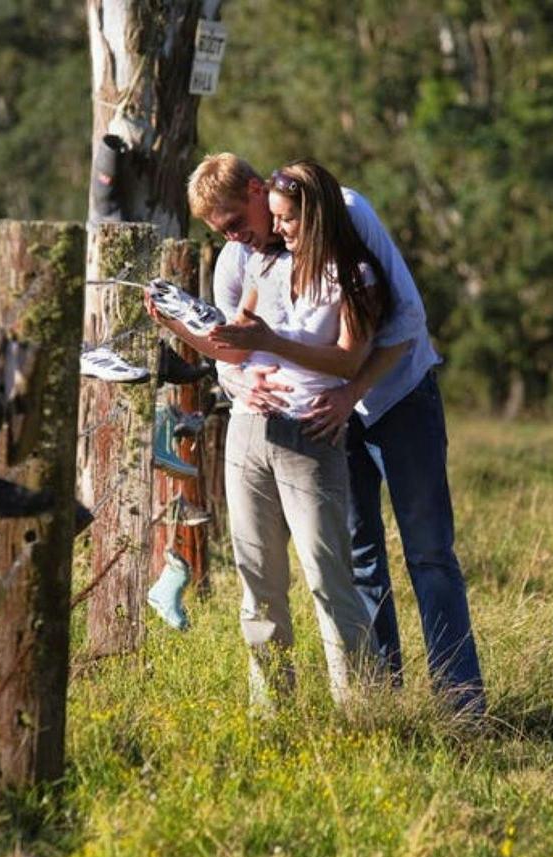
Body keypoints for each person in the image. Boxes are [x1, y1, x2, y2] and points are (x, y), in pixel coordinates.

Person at [187, 153, 486, 715]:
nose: (245, 237)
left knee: (428, 553)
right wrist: (235, 376)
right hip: (326, 416)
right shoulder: (250, 255)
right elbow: (236, 343)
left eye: (236, 223)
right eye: (224, 233)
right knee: (360, 555)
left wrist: (351, 392)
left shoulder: (347, 216)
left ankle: (460, 702)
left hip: (397, 398)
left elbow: (405, 322)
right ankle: (383, 697)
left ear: (259, 192)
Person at [149, 160, 387, 711]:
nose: (270, 230)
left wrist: (273, 342)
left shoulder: (351, 270)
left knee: (329, 579)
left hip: (309, 430)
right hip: (249, 431)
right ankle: (272, 709)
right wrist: (176, 323)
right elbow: (234, 344)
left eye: (283, 218)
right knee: (257, 584)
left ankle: (364, 709)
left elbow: (352, 357)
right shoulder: (253, 265)